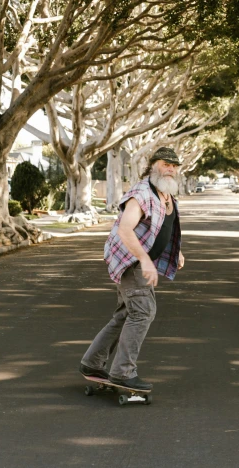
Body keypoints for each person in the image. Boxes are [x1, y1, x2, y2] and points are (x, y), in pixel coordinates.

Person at [79, 146, 184, 390]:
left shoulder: (166, 194)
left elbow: (163, 228)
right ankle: (122, 373)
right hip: (131, 260)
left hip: (139, 260)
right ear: (153, 165)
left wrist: (176, 250)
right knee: (143, 312)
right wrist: (145, 260)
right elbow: (125, 229)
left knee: (126, 314)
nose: (170, 169)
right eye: (165, 164)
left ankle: (92, 362)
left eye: (174, 166)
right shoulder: (142, 193)